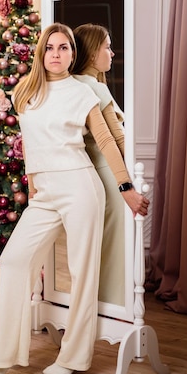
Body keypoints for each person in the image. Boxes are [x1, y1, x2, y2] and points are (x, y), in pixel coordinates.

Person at [0, 23, 149, 374]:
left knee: (82, 271)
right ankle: (4, 356)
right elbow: (31, 147)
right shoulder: (24, 94)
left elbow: (106, 142)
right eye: (51, 47)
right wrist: (32, 189)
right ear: (41, 52)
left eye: (64, 48)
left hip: (80, 186)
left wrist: (126, 189)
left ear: (73, 55)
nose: (56, 54)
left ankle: (75, 357)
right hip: (45, 194)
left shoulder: (82, 93)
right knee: (13, 260)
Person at [72, 22, 130, 306]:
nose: (112, 53)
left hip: (91, 174)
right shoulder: (92, 86)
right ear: (93, 52)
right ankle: (113, 305)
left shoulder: (76, 85)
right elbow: (116, 138)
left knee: (99, 245)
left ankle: (95, 303)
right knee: (114, 246)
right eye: (107, 47)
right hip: (109, 174)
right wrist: (128, 179)